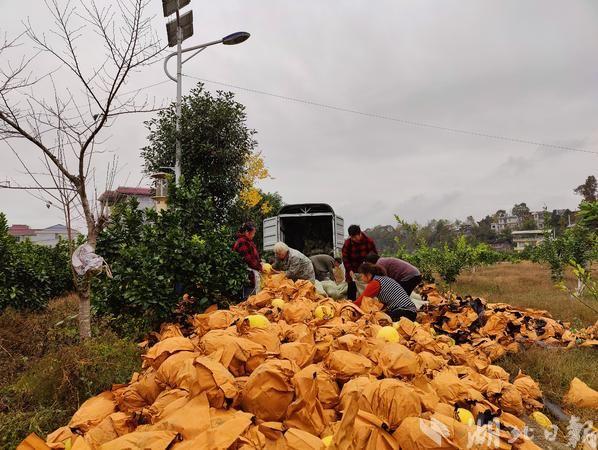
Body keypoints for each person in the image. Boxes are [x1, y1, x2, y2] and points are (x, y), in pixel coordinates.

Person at [342, 225, 377, 300]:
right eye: (352, 237)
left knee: (367, 291)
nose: (354, 239)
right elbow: (345, 258)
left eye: (355, 237)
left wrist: (369, 269)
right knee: (351, 289)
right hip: (352, 269)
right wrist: (350, 270)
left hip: (366, 270)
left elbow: (374, 257)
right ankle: (351, 307)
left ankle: (367, 306)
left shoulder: (368, 241)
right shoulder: (347, 243)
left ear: (360, 233)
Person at [232, 222, 262, 299]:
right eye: (253, 233)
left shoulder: (248, 241)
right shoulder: (242, 241)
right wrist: (259, 267)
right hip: (248, 274)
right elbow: (248, 259)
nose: (254, 235)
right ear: (247, 232)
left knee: (253, 298)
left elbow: (253, 257)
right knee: (249, 298)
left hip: (251, 274)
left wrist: (260, 262)